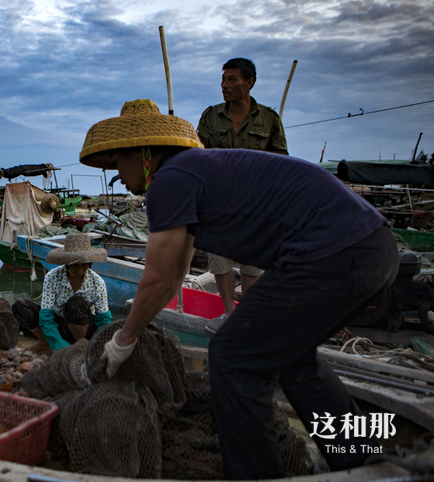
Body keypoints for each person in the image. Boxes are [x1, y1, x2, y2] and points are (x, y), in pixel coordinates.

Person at [82, 99, 397, 480]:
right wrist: (134, 331)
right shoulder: (193, 172)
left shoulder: (170, 180)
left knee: (232, 357)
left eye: (118, 163)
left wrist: (124, 338)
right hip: (373, 247)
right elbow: (174, 277)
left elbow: (157, 278)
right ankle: (360, 457)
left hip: (330, 252)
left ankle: (255, 474)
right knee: (294, 358)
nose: (120, 175)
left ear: (142, 154)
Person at [196, 58, 289, 331]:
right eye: (223, 80)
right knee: (218, 257)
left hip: (257, 202)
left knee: (253, 263)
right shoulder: (211, 116)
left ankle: (247, 314)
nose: (225, 85)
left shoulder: (269, 119)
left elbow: (280, 159)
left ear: (249, 83)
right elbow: (201, 154)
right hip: (220, 199)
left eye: (232, 80)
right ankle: (228, 311)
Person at [12, 233, 113, 352]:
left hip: (84, 328)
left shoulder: (97, 282)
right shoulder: (53, 277)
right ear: (67, 263)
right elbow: (46, 315)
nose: (80, 270)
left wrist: (99, 345)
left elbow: (104, 319)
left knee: (75, 303)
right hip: (60, 325)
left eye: (84, 265)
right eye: (75, 265)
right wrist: (58, 344)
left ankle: (79, 345)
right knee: (20, 305)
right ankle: (45, 342)